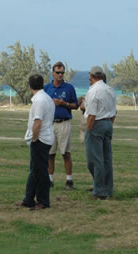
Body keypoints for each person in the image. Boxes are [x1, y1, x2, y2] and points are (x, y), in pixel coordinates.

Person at [18, 74, 55, 210]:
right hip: (45, 137)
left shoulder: (39, 100)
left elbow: (37, 122)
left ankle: (43, 201)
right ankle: (28, 199)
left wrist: (34, 138)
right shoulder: (46, 98)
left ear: (30, 86)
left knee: (40, 172)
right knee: (35, 170)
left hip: (41, 139)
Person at [43, 61, 78, 190]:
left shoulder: (69, 88)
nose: (60, 75)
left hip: (64, 123)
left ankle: (69, 180)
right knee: (50, 154)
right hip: (50, 123)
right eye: (58, 72)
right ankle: (50, 180)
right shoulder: (47, 88)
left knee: (66, 153)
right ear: (53, 73)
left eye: (62, 73)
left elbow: (76, 105)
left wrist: (64, 104)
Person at [84, 66, 117, 200]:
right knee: (107, 158)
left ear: (91, 76)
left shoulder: (93, 91)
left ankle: (99, 190)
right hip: (108, 123)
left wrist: (89, 129)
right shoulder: (110, 90)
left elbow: (91, 115)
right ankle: (107, 188)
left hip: (96, 123)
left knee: (94, 160)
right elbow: (114, 112)